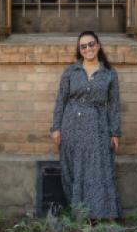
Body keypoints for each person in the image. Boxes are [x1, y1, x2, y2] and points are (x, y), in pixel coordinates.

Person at [50, 31, 122, 220]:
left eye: (91, 44)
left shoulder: (109, 73)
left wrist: (115, 132)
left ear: (98, 46)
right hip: (71, 125)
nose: (88, 49)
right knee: (73, 169)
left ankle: (98, 215)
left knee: (96, 170)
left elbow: (114, 104)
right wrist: (56, 127)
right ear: (80, 50)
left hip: (98, 126)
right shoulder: (71, 72)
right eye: (83, 46)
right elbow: (61, 101)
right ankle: (78, 214)